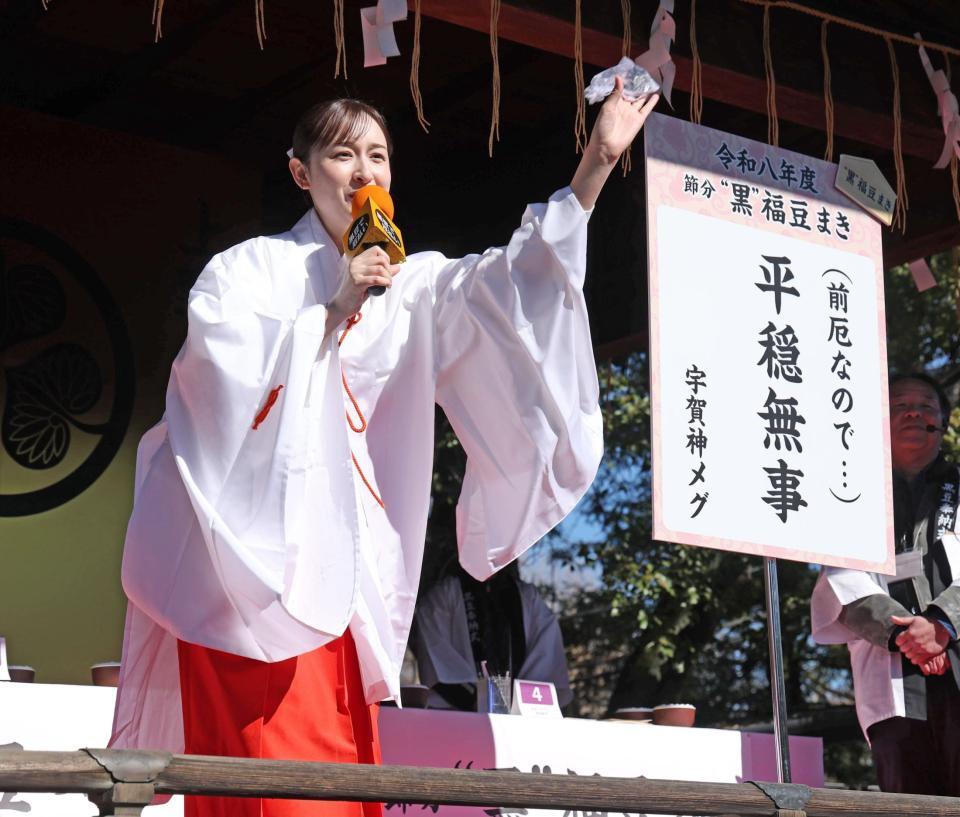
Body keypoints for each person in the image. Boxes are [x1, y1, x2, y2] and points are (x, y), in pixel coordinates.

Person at [109, 78, 659, 817]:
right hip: (251, 577)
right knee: (271, 790)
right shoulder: (249, 273)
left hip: (353, 576)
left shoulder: (412, 285)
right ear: (302, 173)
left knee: (343, 785)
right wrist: (333, 308)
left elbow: (509, 286)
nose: (364, 171)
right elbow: (215, 391)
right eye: (343, 155)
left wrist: (595, 163)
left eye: (378, 155)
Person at [811, 373, 960, 795]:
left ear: (942, 422)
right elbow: (840, 575)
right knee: (906, 798)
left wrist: (942, 624)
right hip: (890, 671)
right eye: (899, 406)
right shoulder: (850, 493)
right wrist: (905, 636)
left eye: (925, 406)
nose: (913, 413)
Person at [412, 563, 572, 710]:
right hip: (458, 715)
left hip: (520, 716)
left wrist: (523, 700)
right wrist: (477, 699)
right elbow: (437, 657)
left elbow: (546, 651)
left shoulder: (527, 598)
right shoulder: (445, 595)